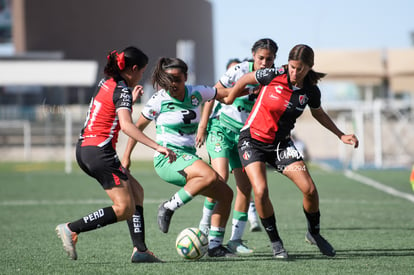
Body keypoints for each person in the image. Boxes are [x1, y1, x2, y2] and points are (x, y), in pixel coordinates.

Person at [221, 44, 359, 259]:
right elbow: (248, 78)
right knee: (260, 191)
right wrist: (230, 97)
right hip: (252, 141)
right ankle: (276, 243)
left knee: (310, 190)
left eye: (300, 69)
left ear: (309, 67)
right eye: (293, 67)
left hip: (281, 146)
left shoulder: (311, 90)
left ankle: (314, 233)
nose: (295, 72)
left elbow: (319, 114)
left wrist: (340, 134)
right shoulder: (274, 74)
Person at [55, 46, 176, 263]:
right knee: (124, 208)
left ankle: (140, 250)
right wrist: (157, 146)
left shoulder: (109, 82)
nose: (141, 77)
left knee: (137, 191)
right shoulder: (121, 90)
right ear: (133, 69)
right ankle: (71, 228)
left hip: (86, 148)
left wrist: (130, 97)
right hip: (99, 152)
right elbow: (127, 126)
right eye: (141, 72)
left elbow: (112, 108)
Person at [122, 57, 238, 258]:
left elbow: (226, 94)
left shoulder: (196, 92)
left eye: (177, 79)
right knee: (210, 176)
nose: (173, 84)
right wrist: (126, 158)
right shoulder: (159, 99)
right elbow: (135, 128)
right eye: (168, 80)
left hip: (188, 158)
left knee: (226, 195)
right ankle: (168, 207)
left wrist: (253, 87)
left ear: (185, 77)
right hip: (168, 159)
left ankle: (215, 247)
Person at [196, 38, 278, 254]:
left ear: (274, 59)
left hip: (245, 139)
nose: (264, 62)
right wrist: (202, 125)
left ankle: (235, 240)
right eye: (261, 58)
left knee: (246, 187)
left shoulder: (275, 78)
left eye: (269, 59)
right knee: (219, 180)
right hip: (221, 130)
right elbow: (212, 95)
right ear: (253, 56)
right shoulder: (239, 71)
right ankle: (204, 228)